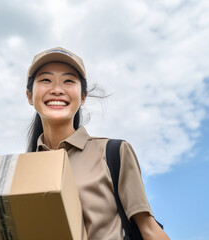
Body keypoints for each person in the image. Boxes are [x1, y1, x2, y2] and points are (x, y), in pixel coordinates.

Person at [25, 47, 170, 240]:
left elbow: (149, 229)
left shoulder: (113, 152)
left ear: (83, 97)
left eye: (68, 81)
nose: (57, 90)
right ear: (29, 96)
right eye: (45, 80)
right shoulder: (23, 171)